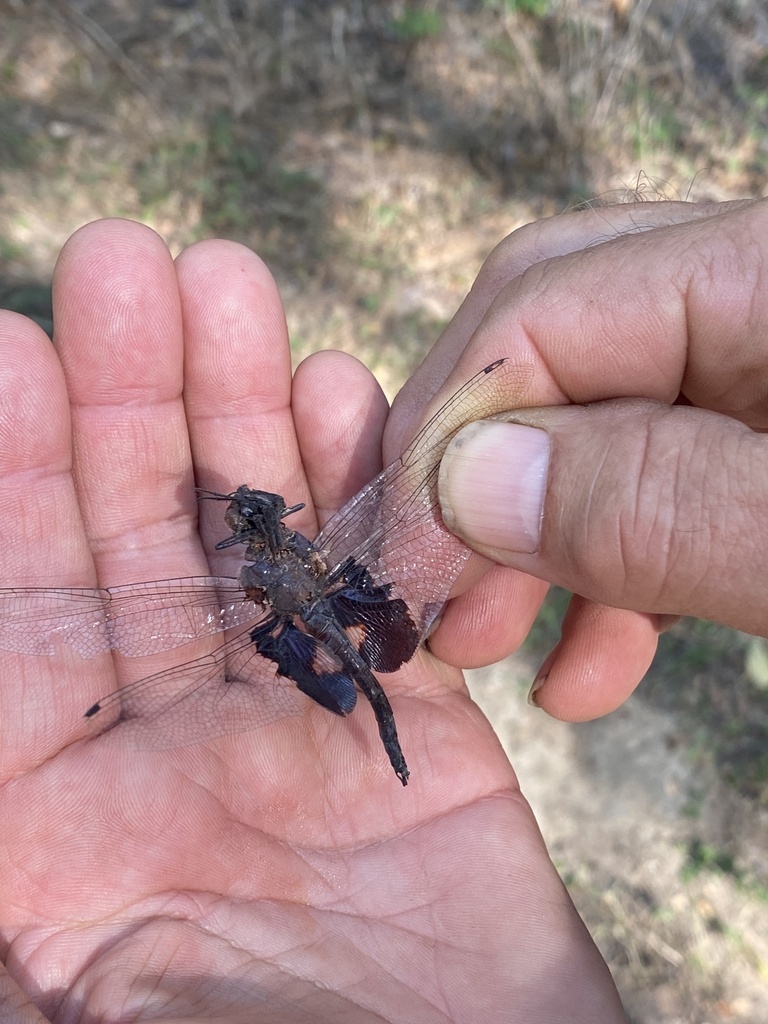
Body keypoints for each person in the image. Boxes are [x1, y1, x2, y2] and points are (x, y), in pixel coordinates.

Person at [0, 198, 762, 1021]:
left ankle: (360, 702)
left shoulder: (258, 565)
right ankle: (366, 702)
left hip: (308, 610)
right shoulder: (292, 549)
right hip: (326, 599)